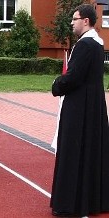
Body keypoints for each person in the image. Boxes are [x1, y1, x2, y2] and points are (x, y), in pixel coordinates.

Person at [50, 4, 109, 217]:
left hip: (79, 107)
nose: (72, 23)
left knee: (73, 151)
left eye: (75, 19)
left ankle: (69, 203)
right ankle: (89, 200)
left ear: (86, 21)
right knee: (88, 151)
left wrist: (57, 84)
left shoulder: (85, 45)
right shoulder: (96, 44)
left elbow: (74, 77)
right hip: (92, 105)